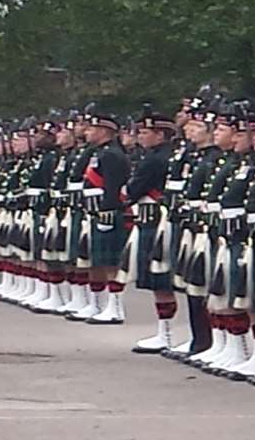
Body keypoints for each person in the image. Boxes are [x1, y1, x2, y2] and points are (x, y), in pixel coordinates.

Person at [128, 107, 184, 352]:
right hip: (155, 219)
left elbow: (133, 190)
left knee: (159, 282)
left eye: (145, 132)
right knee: (160, 282)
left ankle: (167, 334)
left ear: (160, 135)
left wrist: (125, 194)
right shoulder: (164, 155)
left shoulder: (154, 159)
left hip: (154, 220)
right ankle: (165, 333)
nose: (140, 136)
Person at [74, 109, 132, 325]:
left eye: (91, 128)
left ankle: (115, 306)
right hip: (94, 210)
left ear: (104, 131)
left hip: (107, 212)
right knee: (95, 261)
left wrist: (108, 210)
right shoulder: (99, 152)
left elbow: (113, 186)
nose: (86, 132)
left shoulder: (113, 155)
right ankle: (97, 303)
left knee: (110, 263)